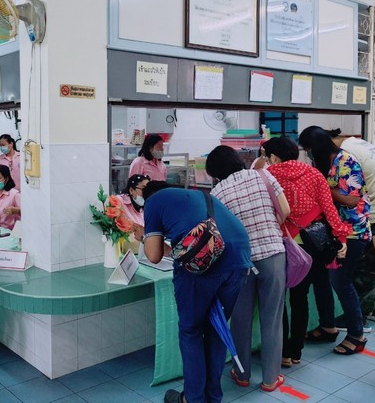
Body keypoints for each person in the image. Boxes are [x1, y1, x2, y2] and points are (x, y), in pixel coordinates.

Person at [142, 181, 251, 403]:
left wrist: (142, 236)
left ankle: (192, 399)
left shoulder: (153, 202)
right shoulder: (199, 196)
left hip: (207, 266)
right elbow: (191, 247)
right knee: (217, 329)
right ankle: (213, 397)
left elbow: (153, 255)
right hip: (240, 257)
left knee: (191, 331)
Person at [206, 145, 289, 392]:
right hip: (273, 254)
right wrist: (267, 226)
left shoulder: (216, 193)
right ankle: (270, 379)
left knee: (240, 319)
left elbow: (218, 233)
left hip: (240, 263)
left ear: (215, 172)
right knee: (272, 318)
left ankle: (241, 373)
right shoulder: (263, 175)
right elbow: (285, 210)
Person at [263, 136, 351, 365]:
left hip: (282, 244)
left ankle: (282, 352)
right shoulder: (314, 173)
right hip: (312, 245)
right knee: (300, 298)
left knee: (279, 300)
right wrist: (341, 236)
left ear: (274, 157)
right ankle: (296, 351)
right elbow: (329, 209)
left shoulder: (267, 176)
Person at [298, 127, 372, 355]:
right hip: (332, 232)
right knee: (321, 277)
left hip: (353, 233)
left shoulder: (346, 161)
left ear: (317, 147)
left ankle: (357, 335)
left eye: (309, 149)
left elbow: (351, 200)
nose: (308, 154)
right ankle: (328, 326)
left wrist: (323, 190)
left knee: (341, 282)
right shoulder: (323, 163)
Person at [326, 127, 375, 326]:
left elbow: (349, 195)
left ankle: (360, 319)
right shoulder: (359, 143)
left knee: (368, 268)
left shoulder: (346, 154)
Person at [116, 174, 150, 243]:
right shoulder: (119, 201)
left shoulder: (148, 207)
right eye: (143, 189)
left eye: (149, 189)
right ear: (131, 190)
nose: (147, 192)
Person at [0, 164, 21, 230]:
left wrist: (17, 211)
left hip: (11, 231)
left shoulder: (14, 194)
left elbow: (27, 213)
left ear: (6, 179)